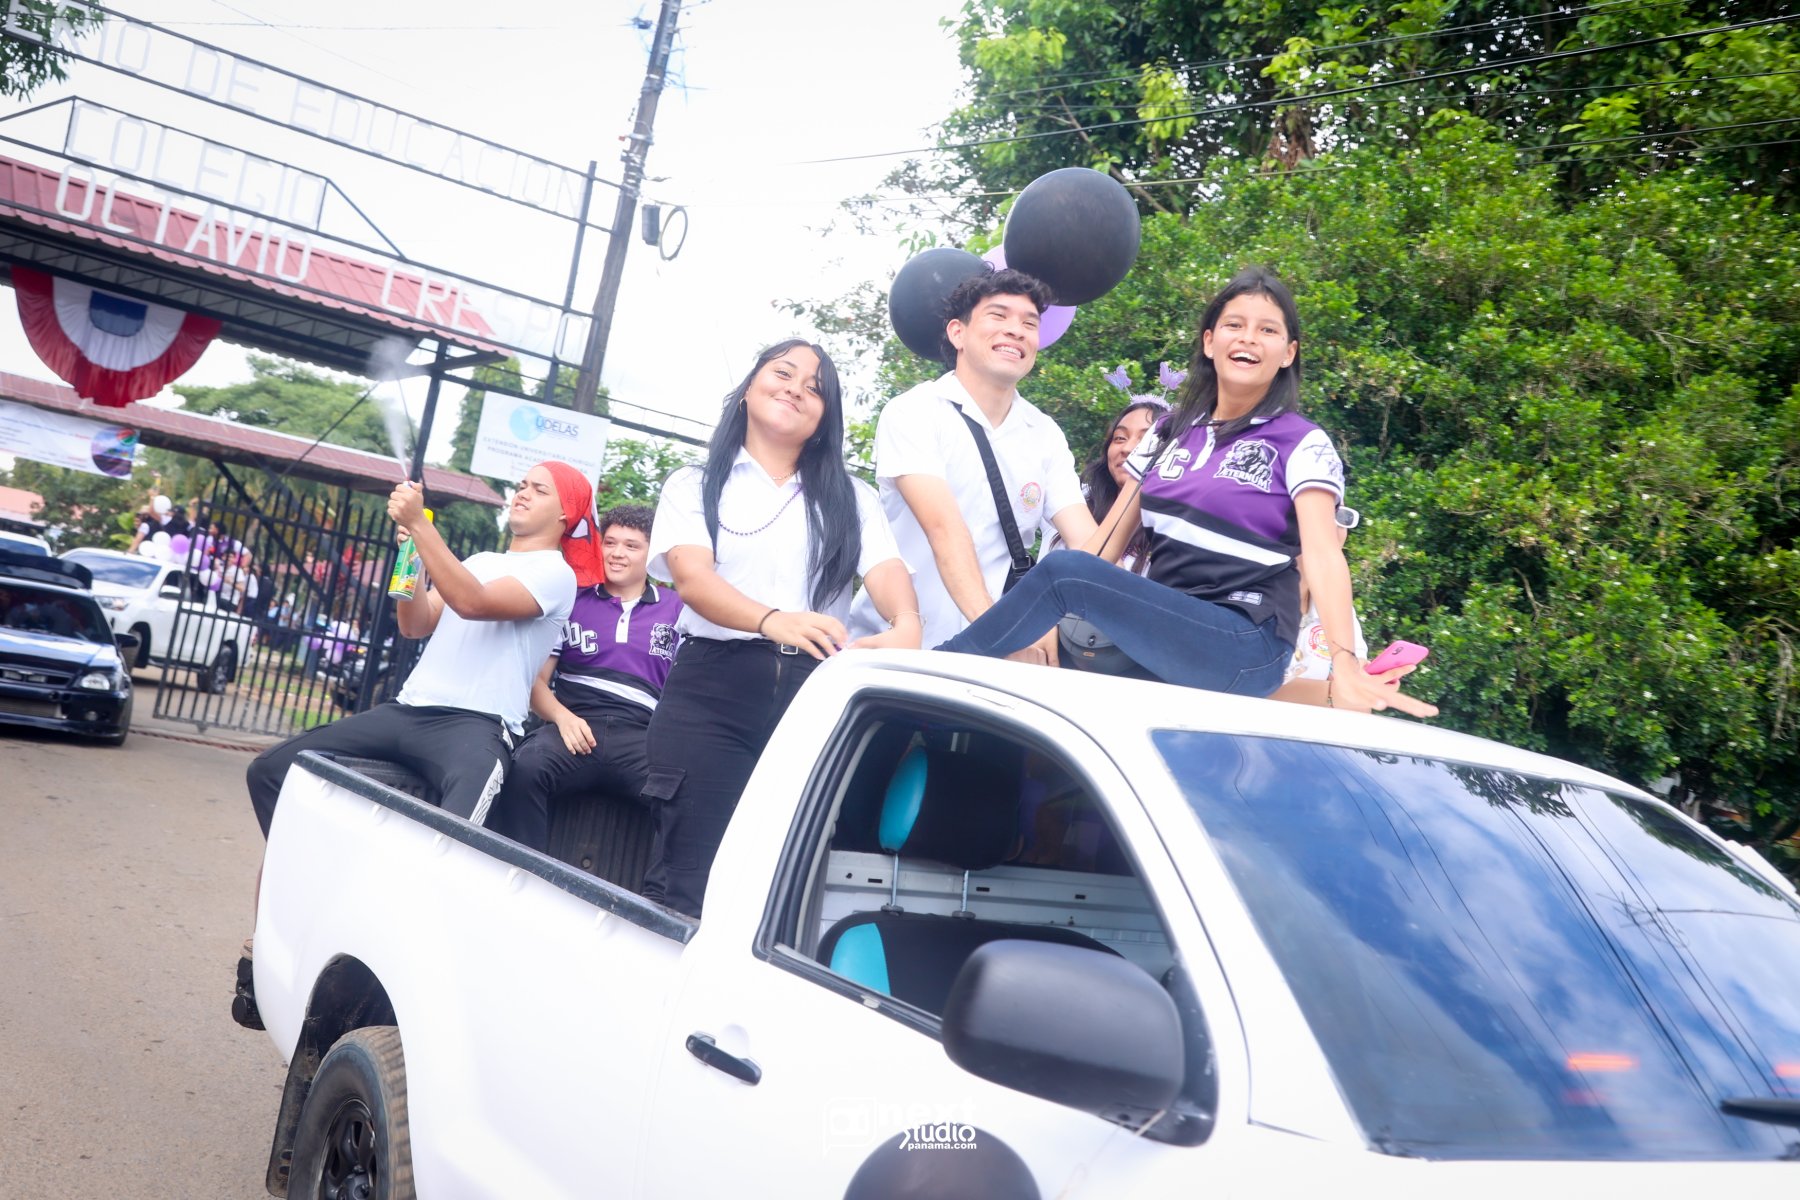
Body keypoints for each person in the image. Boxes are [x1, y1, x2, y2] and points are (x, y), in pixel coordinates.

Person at [937, 267, 1438, 718]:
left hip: (1245, 639)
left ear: (1288, 353)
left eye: (1268, 330)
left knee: (1063, 575)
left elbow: (1324, 556)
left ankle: (941, 670)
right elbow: (1103, 549)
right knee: (1061, 664)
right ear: (1209, 341)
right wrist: (1047, 619)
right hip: (1168, 633)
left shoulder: (1301, 442)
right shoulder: (1167, 433)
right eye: (1235, 324)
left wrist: (1345, 660)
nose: (1249, 337)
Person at [642, 339, 921, 917]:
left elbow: (887, 572)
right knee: (691, 882)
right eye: (783, 373)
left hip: (813, 699)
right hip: (711, 695)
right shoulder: (695, 483)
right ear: (749, 387)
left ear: (825, 417)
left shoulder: (853, 497)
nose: (796, 389)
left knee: (781, 892)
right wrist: (774, 621)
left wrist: (907, 623)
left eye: (815, 389)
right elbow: (692, 580)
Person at [245, 460, 584, 838]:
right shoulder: (479, 562)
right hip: (406, 710)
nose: (523, 493)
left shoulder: (556, 574)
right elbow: (415, 624)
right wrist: (414, 557)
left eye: (539, 489)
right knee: (270, 769)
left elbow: (473, 603)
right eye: (522, 485)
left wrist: (421, 526)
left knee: (454, 837)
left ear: (565, 513)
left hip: (477, 724)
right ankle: (311, 863)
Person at [846, 268, 1094, 660]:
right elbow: (944, 529)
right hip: (896, 651)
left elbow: (1087, 543)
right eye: (998, 315)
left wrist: (1055, 618)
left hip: (983, 663)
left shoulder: (1045, 434)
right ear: (957, 333)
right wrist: (1004, 637)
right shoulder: (914, 411)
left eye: (1029, 323)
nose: (1016, 330)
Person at [491, 504, 684, 855]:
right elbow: (536, 683)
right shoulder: (572, 599)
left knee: (682, 797)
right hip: (574, 728)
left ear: (651, 554)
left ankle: (655, 892)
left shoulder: (677, 609)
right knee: (524, 768)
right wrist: (563, 718)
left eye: (631, 545)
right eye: (610, 543)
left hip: (642, 735)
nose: (618, 553)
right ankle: (522, 869)